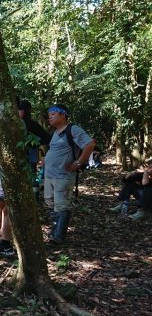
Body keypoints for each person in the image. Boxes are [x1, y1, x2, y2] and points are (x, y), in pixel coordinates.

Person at [0, 99, 50, 256]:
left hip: (8, 171)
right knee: (6, 209)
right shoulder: (30, 125)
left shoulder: (17, 126)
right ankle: (5, 244)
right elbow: (46, 138)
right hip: (24, 171)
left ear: (22, 111)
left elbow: (5, 146)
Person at [44, 103, 96, 244]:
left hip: (63, 176)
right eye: (49, 115)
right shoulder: (55, 132)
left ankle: (58, 236)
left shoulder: (73, 129)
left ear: (63, 115)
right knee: (50, 202)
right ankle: (54, 230)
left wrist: (78, 163)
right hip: (50, 175)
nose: (50, 117)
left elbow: (90, 144)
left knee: (61, 204)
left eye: (53, 114)